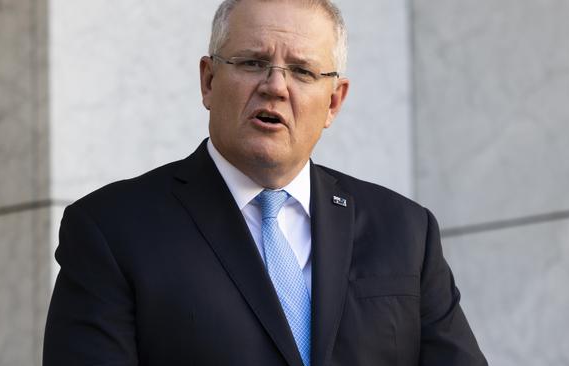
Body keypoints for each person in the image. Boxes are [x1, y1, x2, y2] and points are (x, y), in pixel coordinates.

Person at [43, 0, 488, 365]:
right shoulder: (112, 229)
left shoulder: (405, 231)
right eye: (252, 62)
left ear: (334, 101)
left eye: (302, 71)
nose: (275, 86)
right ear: (209, 80)